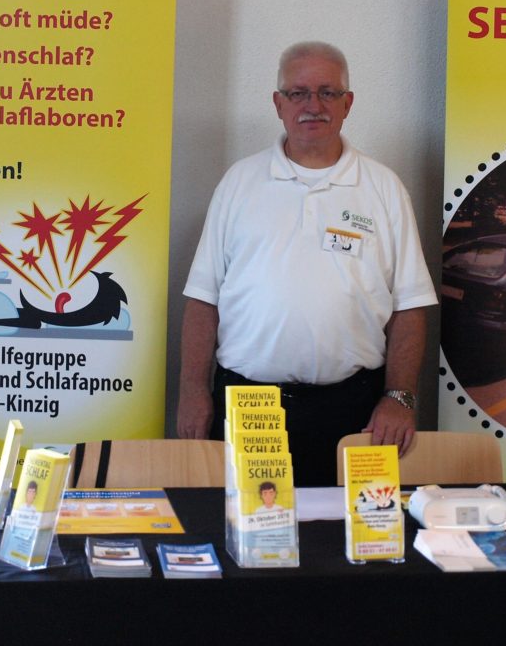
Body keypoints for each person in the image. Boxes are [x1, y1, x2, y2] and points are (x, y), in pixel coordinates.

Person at [176, 41, 437, 486]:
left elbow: (409, 307)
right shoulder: (239, 182)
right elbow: (204, 299)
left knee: (345, 530)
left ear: (347, 103)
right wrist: (192, 390)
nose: (313, 106)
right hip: (248, 405)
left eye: (327, 93)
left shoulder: (383, 188)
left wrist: (400, 398)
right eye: (298, 93)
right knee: (246, 526)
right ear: (278, 104)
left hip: (354, 410)